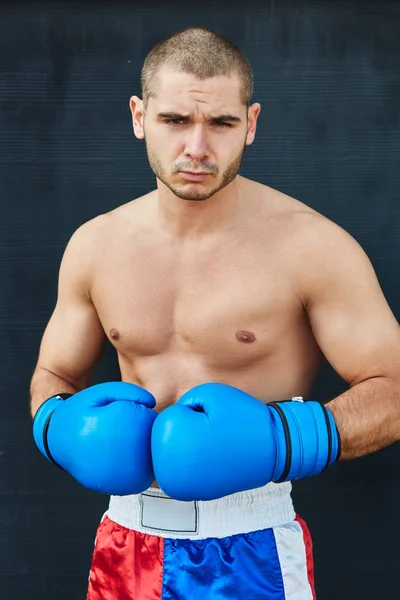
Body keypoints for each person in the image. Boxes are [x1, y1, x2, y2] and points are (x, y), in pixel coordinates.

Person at [30, 26, 400, 600]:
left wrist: (283, 440)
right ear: (139, 116)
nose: (197, 148)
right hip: (123, 542)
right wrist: (58, 428)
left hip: (249, 548)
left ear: (250, 124)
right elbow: (52, 375)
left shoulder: (314, 248)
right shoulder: (95, 246)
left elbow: (395, 387)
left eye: (221, 123)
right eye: (175, 121)